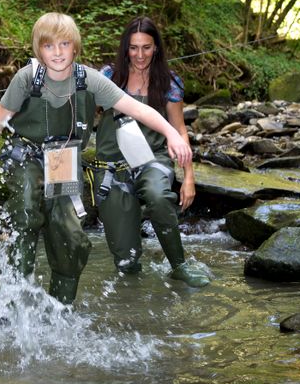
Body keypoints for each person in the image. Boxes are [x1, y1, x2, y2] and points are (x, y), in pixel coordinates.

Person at [0, 12, 192, 304]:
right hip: (27, 156)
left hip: (63, 160)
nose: (57, 53)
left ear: (75, 47)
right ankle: (14, 299)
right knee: (26, 210)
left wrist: (172, 134)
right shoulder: (26, 78)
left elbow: (138, 109)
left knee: (68, 233)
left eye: (64, 45)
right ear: (38, 49)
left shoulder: (91, 79)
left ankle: (61, 308)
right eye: (49, 46)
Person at [90, 15, 210, 287]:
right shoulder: (108, 77)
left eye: (146, 47)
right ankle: (134, 301)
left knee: (157, 196)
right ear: (125, 48)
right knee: (126, 263)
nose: (140, 55)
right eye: (134, 48)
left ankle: (178, 265)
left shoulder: (169, 82)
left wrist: (189, 177)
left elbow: (179, 130)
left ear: (156, 47)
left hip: (153, 160)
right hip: (112, 166)